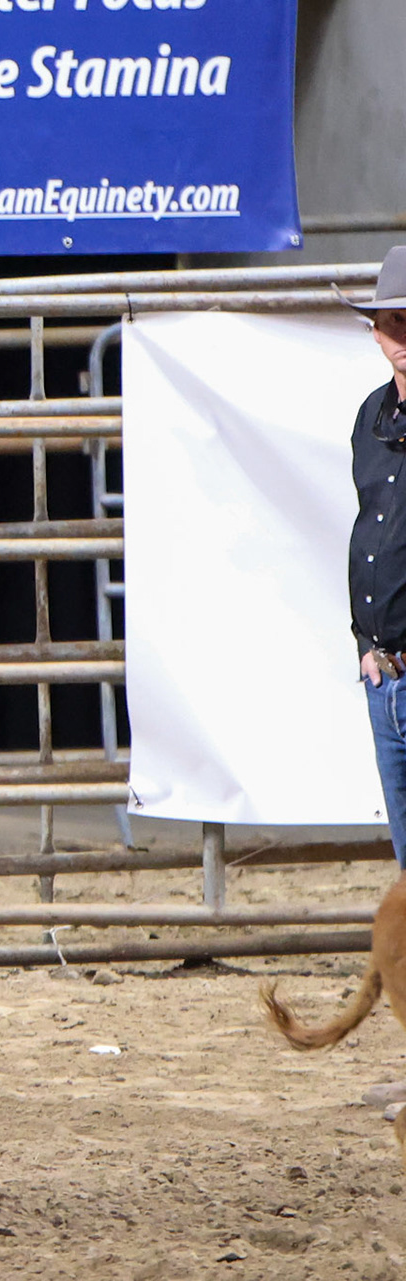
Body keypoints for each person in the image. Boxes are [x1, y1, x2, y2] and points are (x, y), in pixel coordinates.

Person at [346, 246, 406, 1106]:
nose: (403, 340)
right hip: (385, 672)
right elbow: (373, 529)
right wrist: (365, 638)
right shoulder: (371, 416)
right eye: (393, 324)